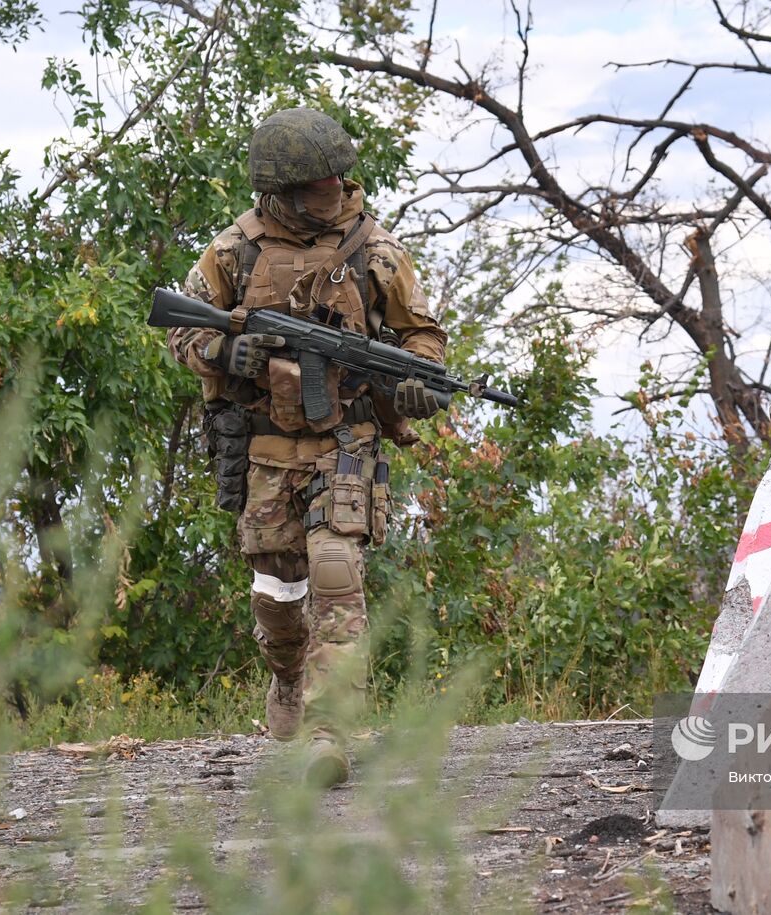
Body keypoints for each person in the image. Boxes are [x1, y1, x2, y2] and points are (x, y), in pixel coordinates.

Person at [168, 108, 447, 786]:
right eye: (319, 186)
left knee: (334, 573)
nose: (334, 194)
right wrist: (227, 350)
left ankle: (330, 732)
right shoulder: (235, 251)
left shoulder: (376, 252)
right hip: (265, 446)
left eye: (337, 183)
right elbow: (181, 333)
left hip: (345, 440)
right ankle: (287, 675)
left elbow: (425, 342)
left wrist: (414, 383)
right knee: (277, 594)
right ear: (281, 190)